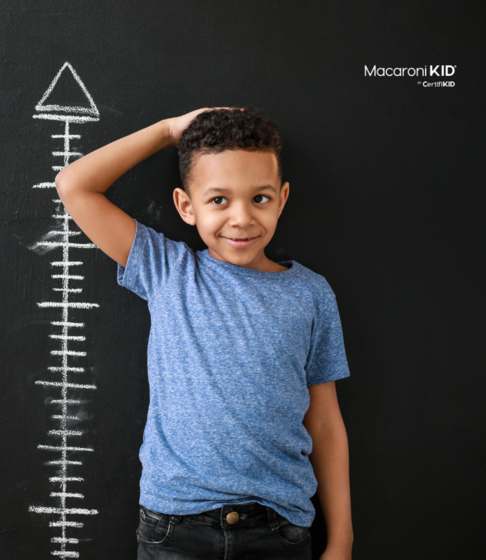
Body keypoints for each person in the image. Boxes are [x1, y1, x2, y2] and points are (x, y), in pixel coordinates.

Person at [54, 107, 353, 560]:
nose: (241, 219)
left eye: (260, 198)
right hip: (175, 526)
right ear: (185, 206)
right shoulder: (167, 270)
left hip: (279, 529)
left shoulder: (311, 294)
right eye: (219, 200)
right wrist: (168, 131)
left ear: (283, 198)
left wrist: (342, 540)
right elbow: (73, 185)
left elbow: (326, 422)